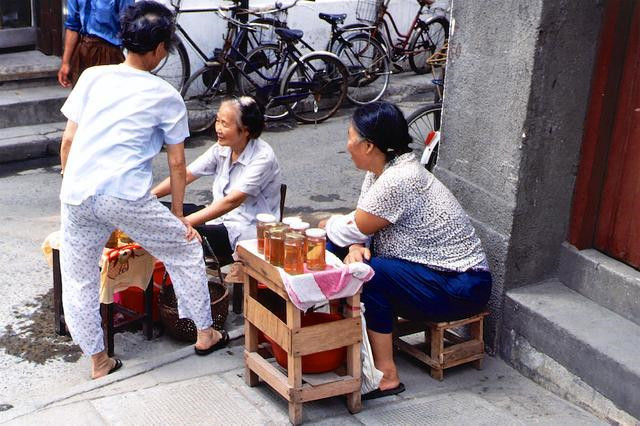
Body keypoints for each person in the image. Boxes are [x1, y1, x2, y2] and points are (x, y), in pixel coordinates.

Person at [59, 1, 227, 380]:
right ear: (159, 50)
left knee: (80, 277)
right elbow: (178, 164)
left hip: (77, 192)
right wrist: (179, 214)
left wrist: (71, 187)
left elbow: (67, 143)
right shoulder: (165, 95)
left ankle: (99, 361)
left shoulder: (93, 77)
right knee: (184, 247)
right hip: (123, 195)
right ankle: (205, 333)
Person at [326, 101, 492, 400]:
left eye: (350, 136)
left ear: (368, 145)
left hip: (460, 285)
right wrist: (353, 244)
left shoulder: (400, 179)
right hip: (430, 274)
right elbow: (361, 225)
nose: (347, 143)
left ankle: (387, 375)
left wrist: (336, 227)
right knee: (345, 253)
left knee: (368, 274)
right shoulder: (381, 172)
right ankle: (346, 343)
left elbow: (352, 225)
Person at [152, 96, 282, 261]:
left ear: (246, 130)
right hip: (218, 219)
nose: (218, 128)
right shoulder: (222, 148)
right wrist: (149, 197)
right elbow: (186, 175)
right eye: (217, 121)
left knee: (170, 233)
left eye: (225, 124)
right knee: (153, 211)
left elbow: (232, 201)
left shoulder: (263, 157)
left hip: (244, 232)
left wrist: (181, 224)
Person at [58, 0, 134, 87]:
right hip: (83, 51)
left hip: (109, 53)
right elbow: (73, 26)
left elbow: (129, 26)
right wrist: (65, 63)